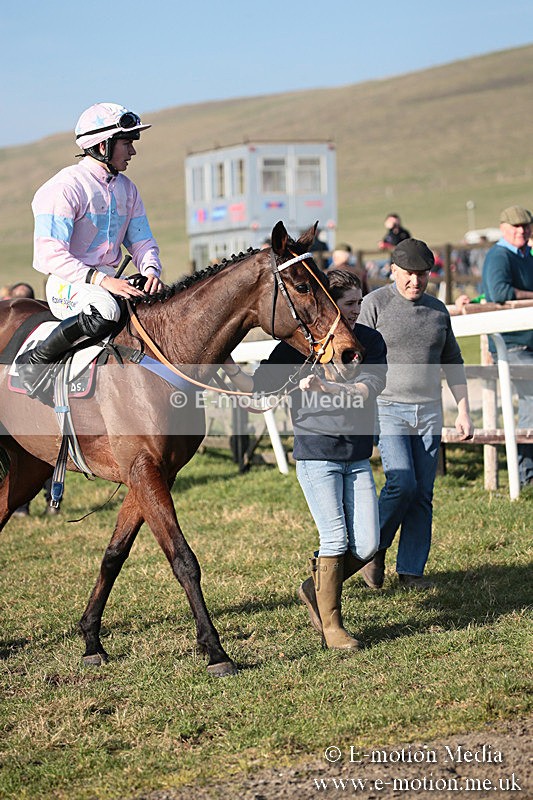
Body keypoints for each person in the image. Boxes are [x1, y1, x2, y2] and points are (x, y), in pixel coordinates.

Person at [224, 270, 387, 649]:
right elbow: (257, 389)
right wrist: (228, 366)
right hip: (317, 455)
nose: (357, 309)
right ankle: (333, 629)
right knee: (335, 538)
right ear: (328, 305)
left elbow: (371, 387)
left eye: (359, 301)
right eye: (349, 303)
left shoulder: (370, 341)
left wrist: (326, 386)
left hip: (357, 455)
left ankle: (313, 588)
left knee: (367, 545)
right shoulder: (298, 349)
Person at [16, 102, 165, 398]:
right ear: (102, 145)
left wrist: (150, 270)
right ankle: (34, 364)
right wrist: (101, 280)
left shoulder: (128, 189)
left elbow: (142, 241)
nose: (132, 152)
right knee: (106, 310)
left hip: (110, 281)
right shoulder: (64, 187)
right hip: (68, 283)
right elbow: (50, 253)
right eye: (127, 144)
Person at [358, 238, 474, 590]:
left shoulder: (438, 311)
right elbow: (356, 356)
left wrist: (464, 410)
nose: (415, 282)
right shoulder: (373, 305)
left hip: (429, 413)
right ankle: (372, 549)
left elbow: (452, 361)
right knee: (402, 482)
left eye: (422, 275)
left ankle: (411, 572)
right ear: (392, 270)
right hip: (388, 408)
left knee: (423, 494)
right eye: (408, 274)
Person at [481, 205, 533, 487]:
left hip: (528, 343)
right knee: (532, 402)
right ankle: (527, 478)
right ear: (503, 229)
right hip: (510, 345)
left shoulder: (527, 256)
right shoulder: (499, 255)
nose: (521, 231)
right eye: (515, 227)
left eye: (525, 226)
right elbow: (499, 292)